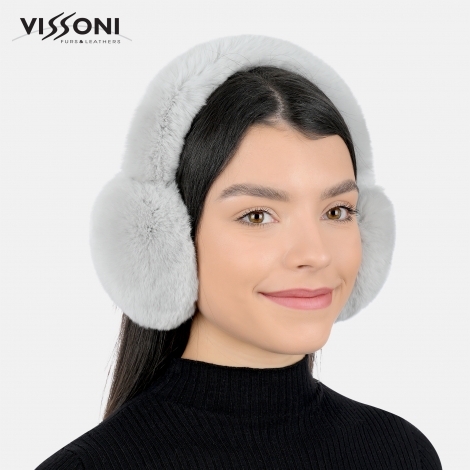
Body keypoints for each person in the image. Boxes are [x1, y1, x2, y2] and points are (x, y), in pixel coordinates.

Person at [35, 34, 442, 469]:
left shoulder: (401, 453)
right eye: (257, 216)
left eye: (337, 211)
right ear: (165, 243)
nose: (315, 254)